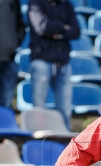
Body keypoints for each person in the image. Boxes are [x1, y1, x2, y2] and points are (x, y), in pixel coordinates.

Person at [28, 0, 79, 128]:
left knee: (65, 111)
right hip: (42, 61)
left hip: (63, 63)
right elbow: (42, 27)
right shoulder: (36, 3)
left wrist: (56, 32)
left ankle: (65, 146)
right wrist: (63, 27)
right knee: (39, 109)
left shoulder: (66, 4)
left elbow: (76, 31)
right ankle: (37, 142)